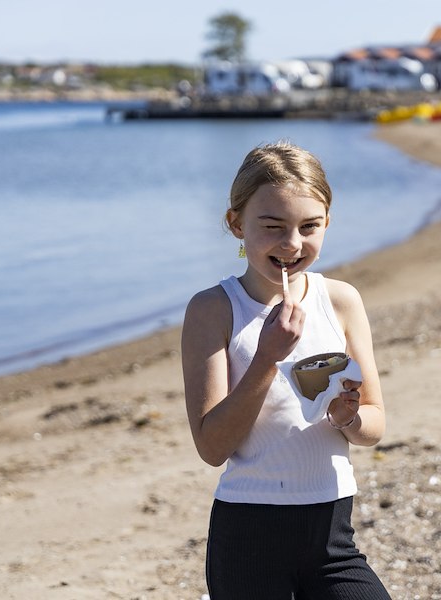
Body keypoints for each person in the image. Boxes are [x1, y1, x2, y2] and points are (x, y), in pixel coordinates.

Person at [181, 141, 391, 599]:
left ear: (327, 223)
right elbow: (213, 446)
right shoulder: (213, 310)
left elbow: (374, 425)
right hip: (248, 533)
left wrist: (347, 417)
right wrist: (266, 358)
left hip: (332, 530)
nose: (292, 244)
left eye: (309, 227)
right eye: (273, 226)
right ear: (236, 224)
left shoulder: (340, 300)